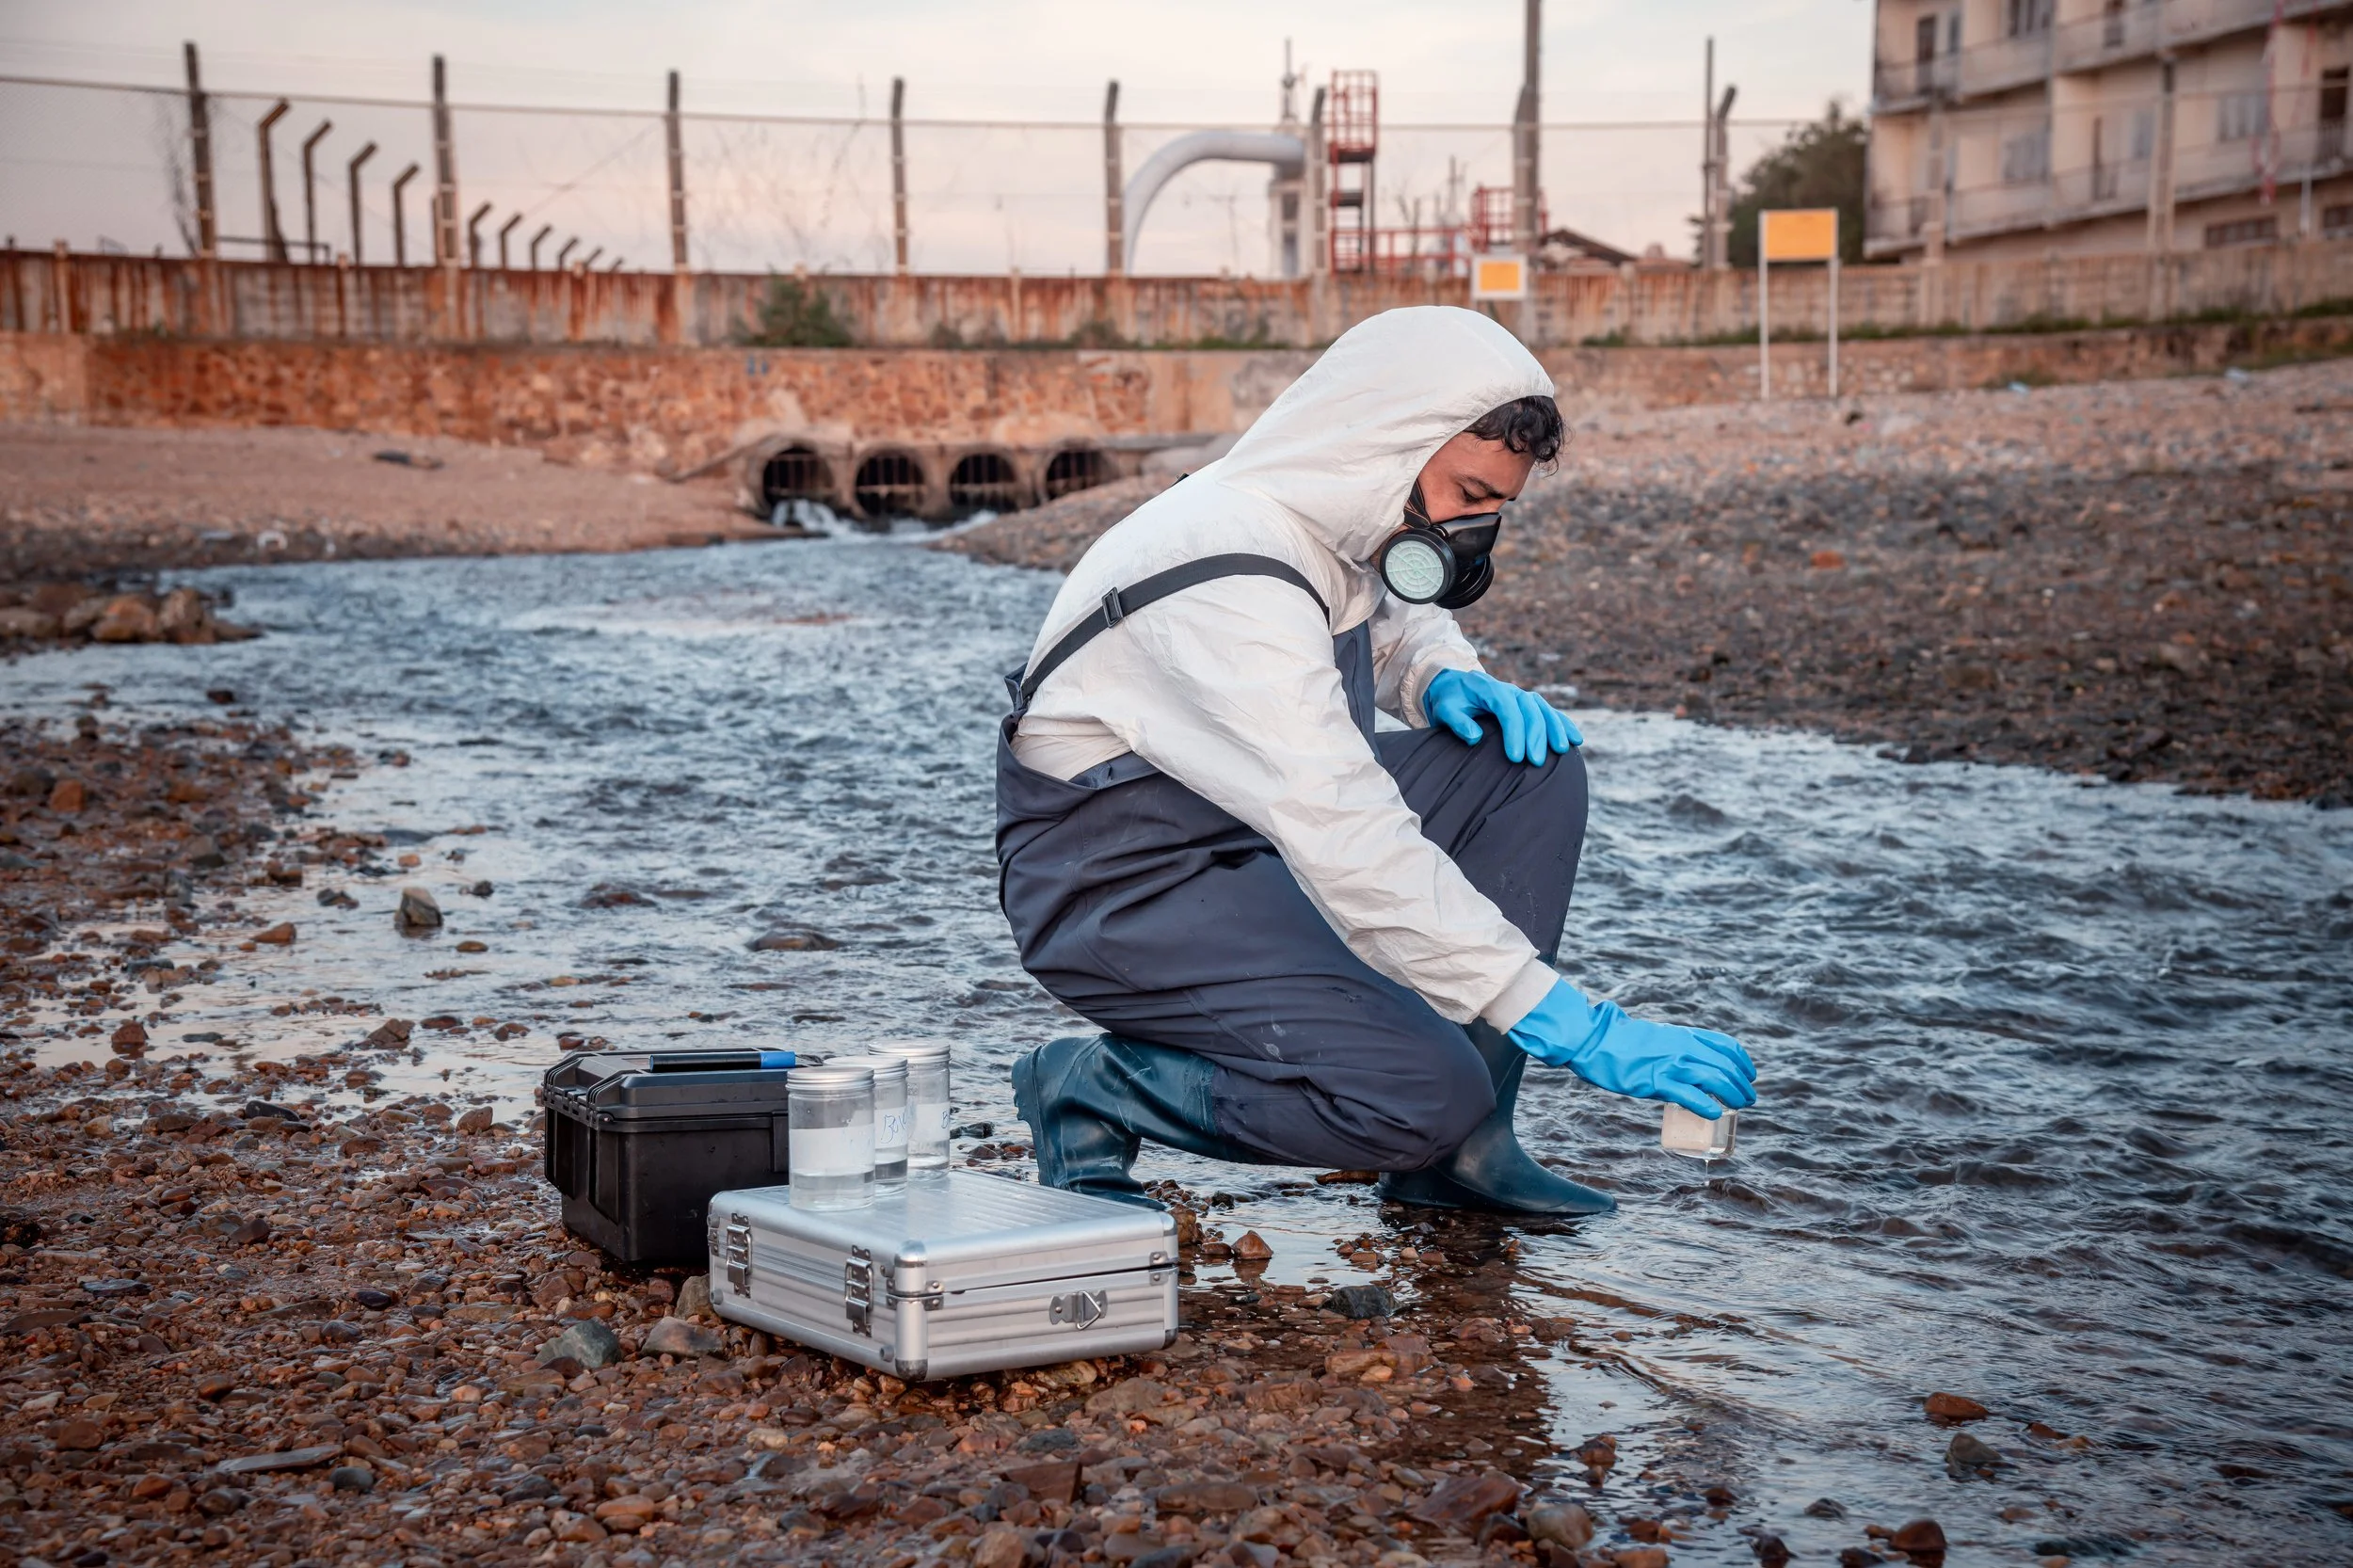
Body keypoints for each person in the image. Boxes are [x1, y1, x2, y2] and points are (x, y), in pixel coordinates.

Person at [998, 306, 1754, 1214]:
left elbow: (1390, 609)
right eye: (1469, 497)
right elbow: (1350, 836)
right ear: (1386, 450)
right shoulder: (1224, 569)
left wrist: (1439, 679)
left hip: (1248, 836)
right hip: (1125, 887)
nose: (1474, 532)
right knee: (1416, 1097)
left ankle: (1462, 1153)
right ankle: (1093, 1086)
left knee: (1527, 769)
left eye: (1495, 509)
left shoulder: (1322, 513)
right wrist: (1568, 1021)